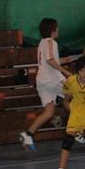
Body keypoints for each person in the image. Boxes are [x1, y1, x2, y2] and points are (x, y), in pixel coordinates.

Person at [19, 18, 71, 151]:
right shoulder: (50, 42)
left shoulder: (42, 43)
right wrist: (66, 72)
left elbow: (48, 60)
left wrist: (63, 60)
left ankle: (28, 134)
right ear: (52, 29)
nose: (58, 29)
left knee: (49, 111)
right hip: (52, 79)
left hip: (42, 81)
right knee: (76, 95)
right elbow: (49, 60)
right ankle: (77, 130)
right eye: (56, 27)